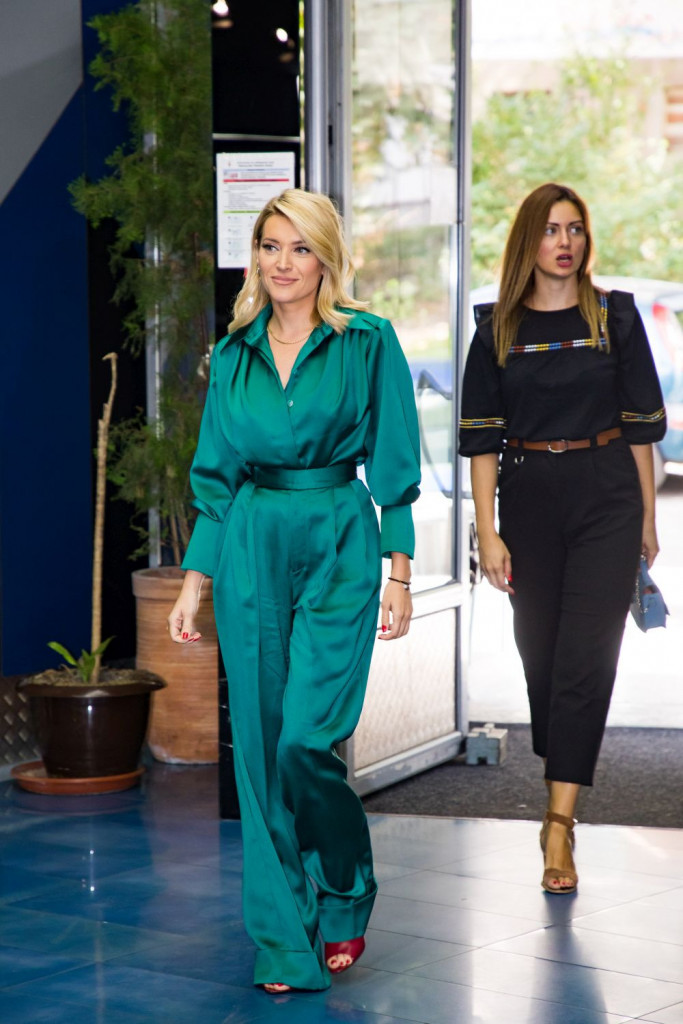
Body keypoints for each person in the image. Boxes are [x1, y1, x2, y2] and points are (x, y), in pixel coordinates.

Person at [168, 188, 421, 990]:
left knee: (303, 740)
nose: (283, 263)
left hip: (340, 538)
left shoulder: (367, 341)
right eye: (270, 246)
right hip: (251, 543)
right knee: (257, 752)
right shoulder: (234, 352)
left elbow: (395, 462)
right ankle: (283, 937)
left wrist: (400, 570)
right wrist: (194, 580)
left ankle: (343, 886)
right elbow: (216, 477)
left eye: (300, 248)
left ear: (325, 259)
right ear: (256, 256)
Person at [459, 183, 666, 895]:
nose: (565, 242)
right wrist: (487, 531)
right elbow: (481, 442)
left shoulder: (615, 317)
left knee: (585, 659)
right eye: (550, 229)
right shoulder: (495, 330)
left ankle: (558, 823)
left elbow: (640, 430)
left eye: (574, 228)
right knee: (542, 658)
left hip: (606, 495)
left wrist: (647, 518)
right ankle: (563, 760)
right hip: (528, 499)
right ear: (528, 240)